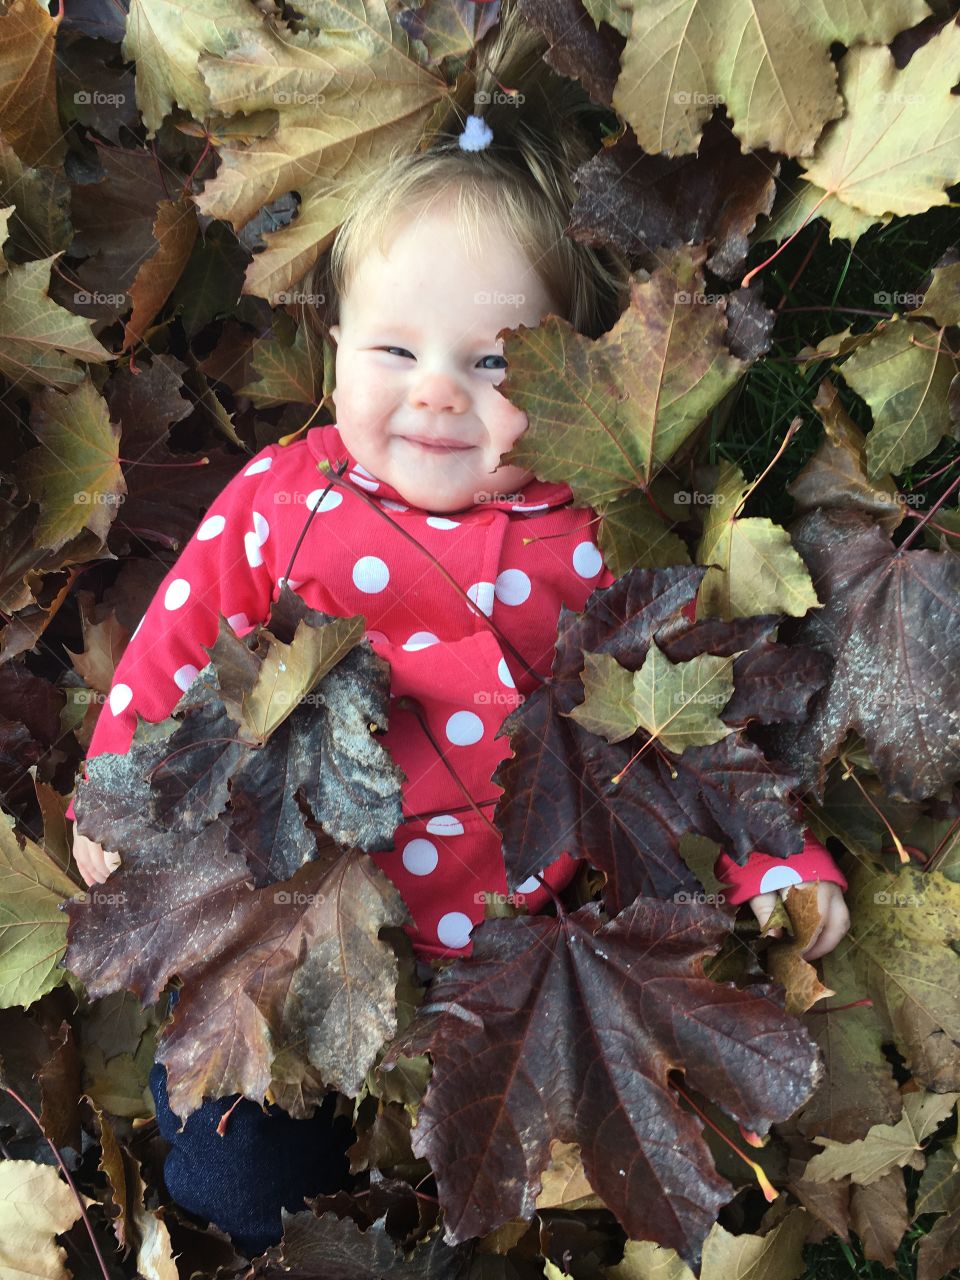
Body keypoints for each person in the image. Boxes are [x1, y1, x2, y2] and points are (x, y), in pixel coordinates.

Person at [66, 8, 849, 1256]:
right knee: (239, 1162)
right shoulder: (287, 496)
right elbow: (176, 642)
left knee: (523, 1150)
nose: (434, 391)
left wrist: (774, 865)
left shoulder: (593, 530)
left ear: (559, 374)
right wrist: (118, 800)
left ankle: (469, 1194)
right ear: (332, 341)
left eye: (491, 364)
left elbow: (699, 722)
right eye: (392, 348)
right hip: (312, 905)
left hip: (519, 934)